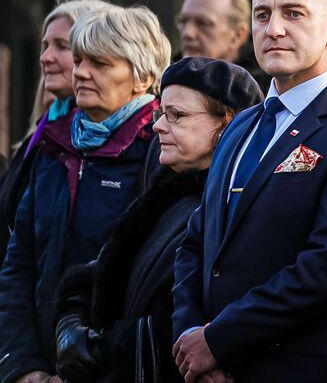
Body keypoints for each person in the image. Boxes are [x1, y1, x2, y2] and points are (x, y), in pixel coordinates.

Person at [171, 0, 327, 383]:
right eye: (262, 15)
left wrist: (220, 341)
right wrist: (190, 334)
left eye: (294, 13)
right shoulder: (242, 125)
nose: (274, 28)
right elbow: (196, 241)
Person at [52, 57, 263, 383]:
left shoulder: (238, 210)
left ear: (228, 123)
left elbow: (200, 326)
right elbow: (104, 267)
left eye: (176, 115)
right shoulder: (165, 193)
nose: (157, 125)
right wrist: (71, 321)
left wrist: (106, 349)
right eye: (161, 113)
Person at [0, 5, 171, 383]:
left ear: (142, 77)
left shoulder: (161, 153)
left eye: (100, 63)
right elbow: (20, 264)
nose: (80, 72)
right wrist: (23, 365)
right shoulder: (53, 144)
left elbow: (159, 286)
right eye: (78, 60)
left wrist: (99, 364)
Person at [0, 0, 109, 264]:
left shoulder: (94, 139)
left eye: (61, 46)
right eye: (45, 45)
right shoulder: (47, 125)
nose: (45, 57)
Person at [176, 0, 269, 90]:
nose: (187, 33)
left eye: (203, 23)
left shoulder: (268, 96)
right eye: (183, 22)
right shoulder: (162, 82)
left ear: (238, 35)